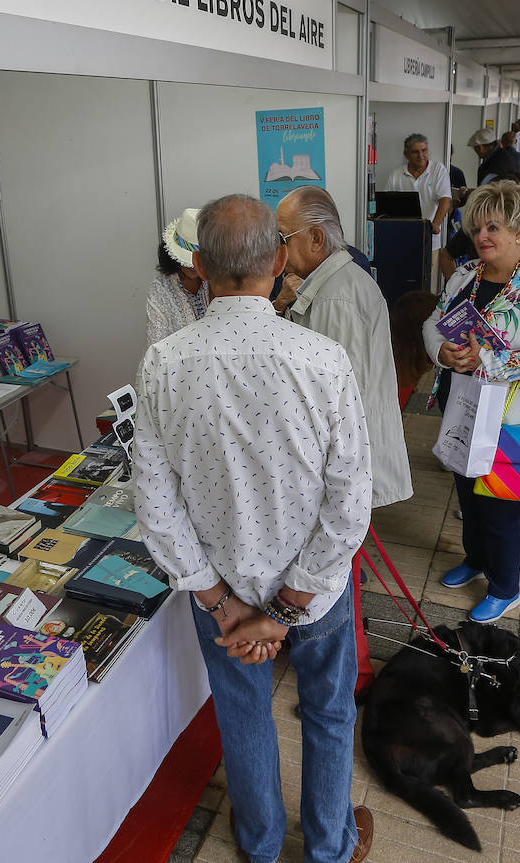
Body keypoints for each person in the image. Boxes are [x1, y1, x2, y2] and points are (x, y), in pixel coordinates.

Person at [133, 193, 376, 863]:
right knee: (328, 712)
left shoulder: (165, 362)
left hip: (223, 592)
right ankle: (331, 845)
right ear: (277, 260)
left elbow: (153, 501)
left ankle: (261, 843)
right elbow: (351, 499)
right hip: (314, 595)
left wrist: (223, 601)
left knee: (242, 710)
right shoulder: (323, 359)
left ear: (202, 266)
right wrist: (289, 604)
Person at [422, 181, 520, 623]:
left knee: (501, 502)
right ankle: (476, 559)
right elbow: (435, 320)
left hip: (513, 414)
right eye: (476, 227)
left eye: (494, 227)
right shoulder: (464, 275)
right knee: (467, 493)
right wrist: (442, 351)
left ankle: (505, 586)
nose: (482, 236)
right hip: (464, 403)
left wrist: (489, 360)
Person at [277, 185, 413, 509]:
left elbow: (333, 400)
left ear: (316, 239)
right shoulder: (332, 286)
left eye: (284, 239)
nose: (279, 251)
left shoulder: (336, 298)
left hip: (344, 466)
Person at [147, 208, 210, 345]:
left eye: (197, 262)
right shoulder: (161, 290)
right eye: (187, 261)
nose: (192, 266)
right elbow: (156, 348)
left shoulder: (218, 281)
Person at [384, 132, 453, 254]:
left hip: (430, 239)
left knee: (429, 272)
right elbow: (386, 206)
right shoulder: (395, 175)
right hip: (401, 239)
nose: (421, 155)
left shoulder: (438, 170)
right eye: (415, 152)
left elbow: (445, 200)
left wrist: (436, 224)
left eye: (424, 150)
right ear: (406, 154)